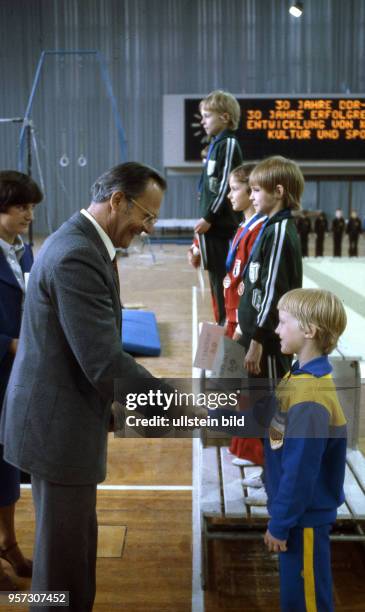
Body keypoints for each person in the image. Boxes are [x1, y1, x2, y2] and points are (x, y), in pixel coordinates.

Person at [0, 162, 200, 610]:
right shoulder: (77, 253)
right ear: (116, 201)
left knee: (71, 555)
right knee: (63, 571)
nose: (148, 228)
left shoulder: (85, 243)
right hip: (57, 429)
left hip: (64, 421)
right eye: (145, 216)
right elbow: (103, 360)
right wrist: (188, 409)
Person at [264, 288, 347, 612]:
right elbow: (272, 423)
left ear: (309, 331)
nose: (276, 330)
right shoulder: (299, 376)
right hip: (298, 514)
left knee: (307, 601)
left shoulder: (310, 397)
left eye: (283, 323)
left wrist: (280, 523)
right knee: (295, 598)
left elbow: (300, 472)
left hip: (303, 519)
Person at [0, 170, 43, 590]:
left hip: (17, 377)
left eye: (31, 207)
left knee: (8, 463)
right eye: (19, 207)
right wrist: (9, 344)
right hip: (5, 363)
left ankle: (7, 542)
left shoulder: (24, 251)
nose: (28, 214)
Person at [238, 156, 303, 380]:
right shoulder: (271, 227)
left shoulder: (278, 232)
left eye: (255, 190)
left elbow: (273, 292)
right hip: (258, 337)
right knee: (254, 406)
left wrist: (257, 341)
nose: (251, 196)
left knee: (268, 407)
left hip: (267, 345)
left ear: (278, 191)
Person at [223, 163, 265, 468]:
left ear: (252, 193)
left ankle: (255, 452)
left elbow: (253, 285)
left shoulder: (260, 230)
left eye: (234, 188)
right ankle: (241, 443)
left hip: (245, 322)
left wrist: (241, 324)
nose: (228, 195)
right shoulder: (243, 227)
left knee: (249, 386)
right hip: (233, 317)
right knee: (235, 385)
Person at [190, 90, 243, 325]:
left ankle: (227, 329)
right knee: (215, 282)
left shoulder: (228, 144)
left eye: (207, 116)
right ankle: (222, 326)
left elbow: (224, 186)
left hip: (222, 227)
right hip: (211, 228)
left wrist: (210, 216)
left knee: (224, 282)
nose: (203, 121)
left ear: (225, 117)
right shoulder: (214, 145)